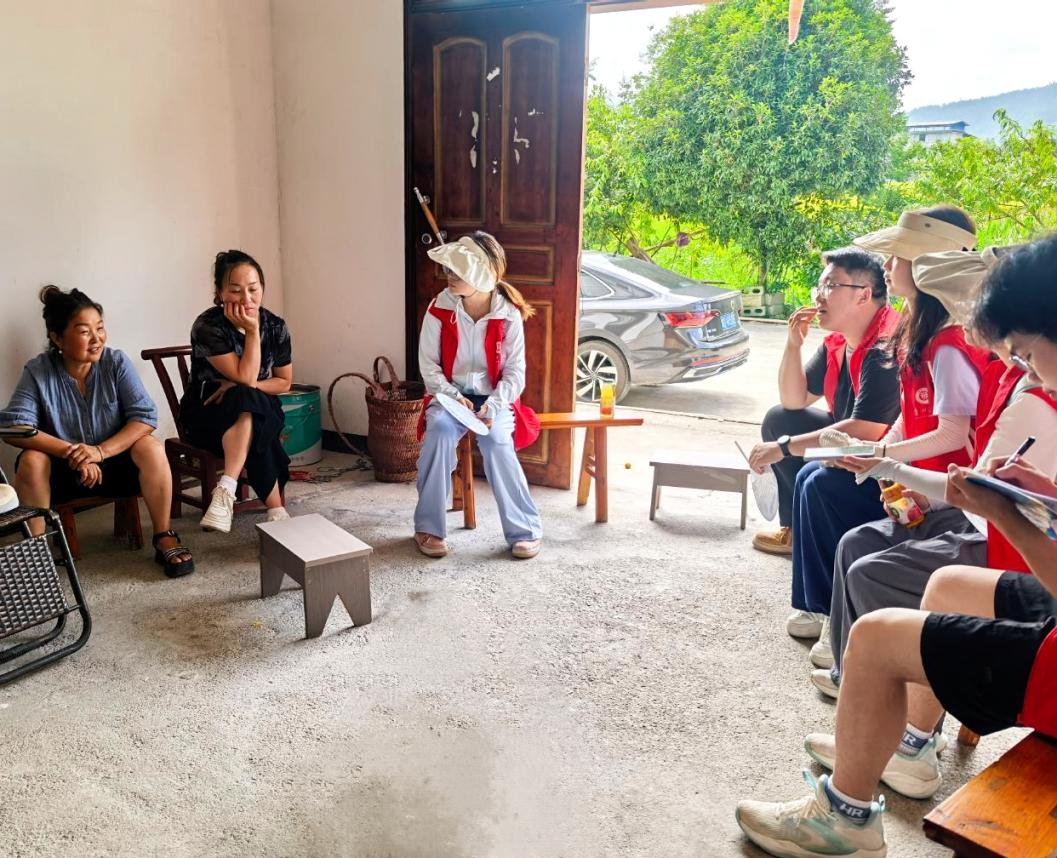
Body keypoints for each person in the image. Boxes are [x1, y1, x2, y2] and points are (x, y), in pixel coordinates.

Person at [735, 234, 1057, 858]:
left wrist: (1005, 513)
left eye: (1024, 351)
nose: (1023, 367)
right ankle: (909, 746)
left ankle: (845, 818)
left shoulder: (980, 368)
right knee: (945, 587)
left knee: (879, 635)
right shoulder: (917, 346)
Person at [812, 247, 1057, 697]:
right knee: (856, 543)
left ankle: (901, 710)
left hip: (997, 538)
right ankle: (855, 679)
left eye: (1022, 352)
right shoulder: (1000, 374)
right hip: (978, 517)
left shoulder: (1023, 393)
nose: (888, 268)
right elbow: (975, 479)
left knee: (873, 571)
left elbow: (963, 463)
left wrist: (886, 462)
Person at [786, 206, 991, 644]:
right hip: (918, 479)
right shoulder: (916, 331)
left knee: (824, 488)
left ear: (926, 266)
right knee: (824, 489)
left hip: (948, 491)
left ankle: (843, 634)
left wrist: (881, 457)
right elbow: (907, 415)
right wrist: (878, 456)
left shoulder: (949, 343)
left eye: (897, 258)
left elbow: (954, 433)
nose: (887, 266)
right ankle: (832, 626)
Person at [0, 286, 194, 577]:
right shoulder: (39, 371)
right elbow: (14, 428)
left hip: (117, 468)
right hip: (64, 474)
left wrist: (99, 452)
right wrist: (74, 453)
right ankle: (35, 554)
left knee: (150, 446)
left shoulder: (115, 362)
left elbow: (145, 418)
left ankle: (163, 535)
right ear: (57, 338)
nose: (97, 338)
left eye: (100, 328)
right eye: (84, 331)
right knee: (31, 459)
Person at [749, 248, 901, 556]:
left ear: (863, 295)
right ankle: (794, 531)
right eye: (820, 286)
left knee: (803, 461)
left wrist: (782, 448)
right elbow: (794, 400)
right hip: (850, 443)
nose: (819, 297)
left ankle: (828, 530)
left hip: (882, 462)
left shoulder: (885, 347)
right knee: (780, 419)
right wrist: (793, 345)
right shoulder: (839, 342)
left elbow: (866, 430)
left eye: (830, 286)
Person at [413, 232, 543, 560]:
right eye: (449, 268)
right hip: (449, 397)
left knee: (497, 441)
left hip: (494, 399)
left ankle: (525, 529)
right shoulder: (439, 308)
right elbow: (428, 366)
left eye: (459, 270)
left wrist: (494, 406)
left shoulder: (508, 314)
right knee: (440, 431)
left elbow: (515, 373)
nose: (449, 275)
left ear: (483, 275)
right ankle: (428, 526)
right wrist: (452, 396)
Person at [181, 250, 292, 533]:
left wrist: (247, 385)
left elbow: (284, 382)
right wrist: (252, 332)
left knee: (248, 400)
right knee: (249, 404)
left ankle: (225, 490)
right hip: (208, 412)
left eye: (253, 289)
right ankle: (276, 509)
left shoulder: (276, 327)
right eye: (235, 290)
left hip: (257, 409)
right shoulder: (207, 326)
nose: (246, 299)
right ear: (219, 293)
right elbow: (246, 376)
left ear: (263, 288)